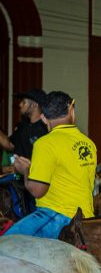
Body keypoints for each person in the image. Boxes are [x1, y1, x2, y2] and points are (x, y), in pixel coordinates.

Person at [5, 92, 96, 238]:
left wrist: (26, 170)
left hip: (58, 216)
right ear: (71, 111)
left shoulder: (45, 144)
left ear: (43, 118)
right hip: (86, 215)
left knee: (5, 245)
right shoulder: (89, 143)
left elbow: (37, 190)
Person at [0, 89, 48, 213]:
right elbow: (9, 145)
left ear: (35, 104)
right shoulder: (23, 127)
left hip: (40, 185)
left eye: (24, 102)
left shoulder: (46, 128)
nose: (20, 104)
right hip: (22, 183)